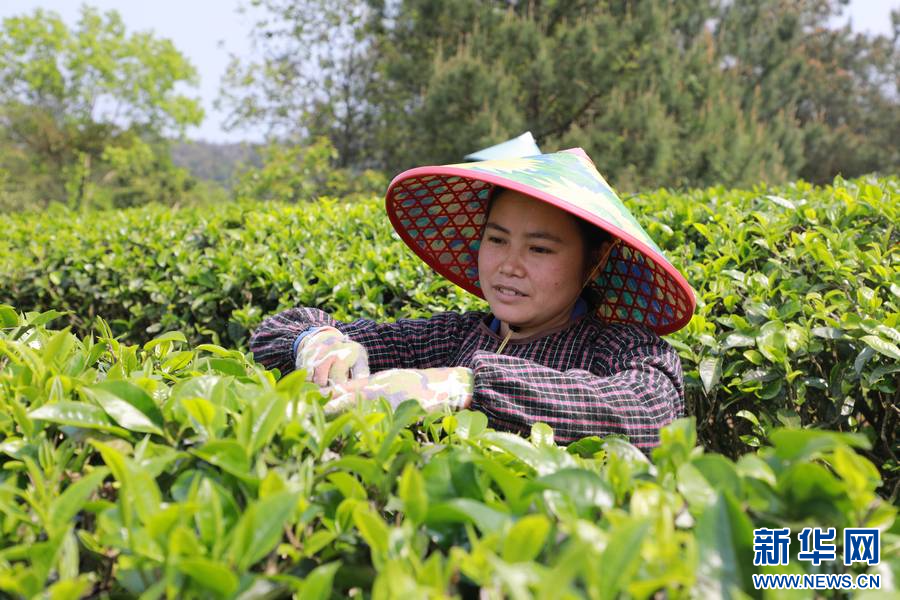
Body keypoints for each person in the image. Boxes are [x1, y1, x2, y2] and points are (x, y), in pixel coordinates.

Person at [250, 148, 696, 451]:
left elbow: (648, 411)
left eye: (539, 249)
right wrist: (319, 343)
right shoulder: (451, 338)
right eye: (497, 240)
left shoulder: (621, 349)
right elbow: (278, 332)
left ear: (593, 261)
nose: (509, 266)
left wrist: (464, 387)